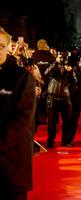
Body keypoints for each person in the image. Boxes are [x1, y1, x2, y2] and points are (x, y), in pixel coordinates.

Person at [0, 28, 36, 199]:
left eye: (1, 46)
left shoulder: (22, 77)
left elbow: (22, 120)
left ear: (8, 48)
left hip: (12, 165)